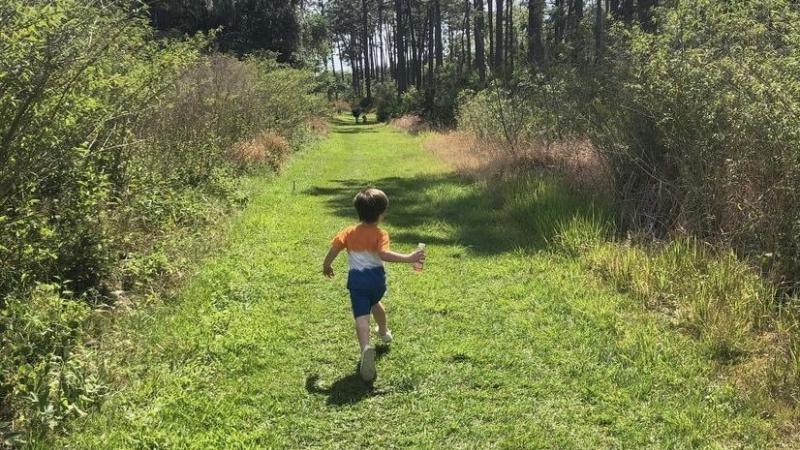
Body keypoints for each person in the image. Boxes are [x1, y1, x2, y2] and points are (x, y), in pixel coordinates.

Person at [322, 188, 425, 382]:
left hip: (357, 283)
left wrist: (326, 265)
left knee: (362, 316)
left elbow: (334, 249)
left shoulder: (348, 232)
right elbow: (384, 254)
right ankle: (384, 332)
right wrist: (409, 258)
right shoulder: (380, 233)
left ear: (357, 211)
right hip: (377, 282)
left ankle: (365, 349)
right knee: (375, 302)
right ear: (382, 214)